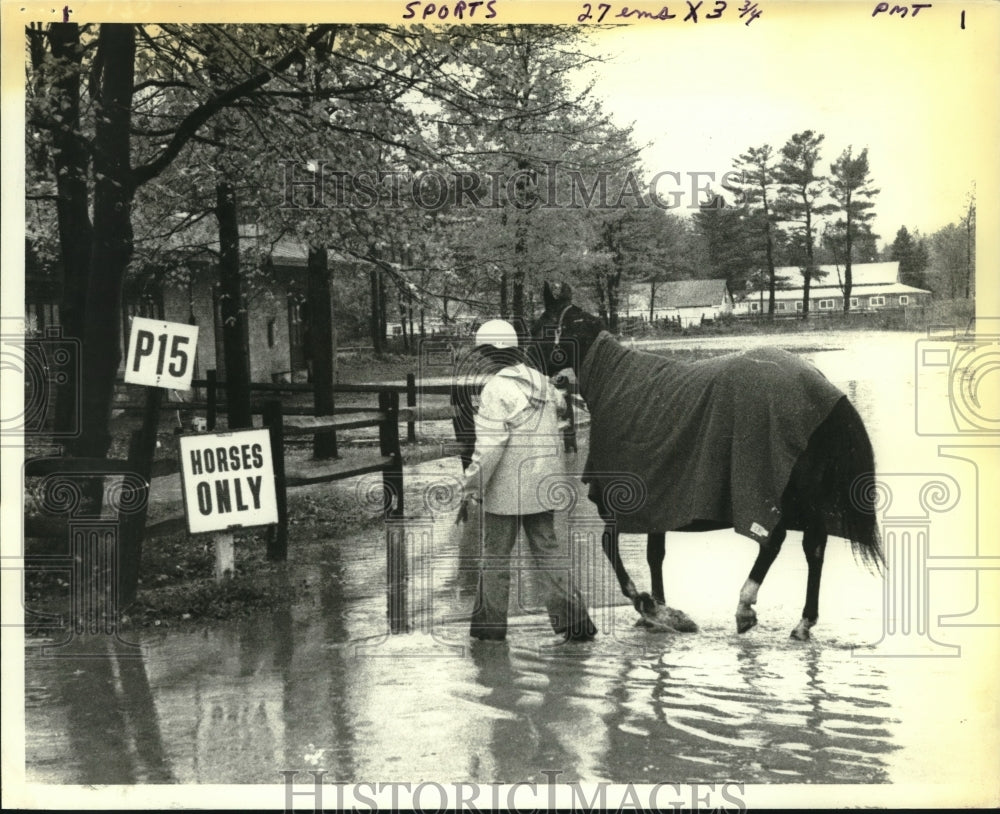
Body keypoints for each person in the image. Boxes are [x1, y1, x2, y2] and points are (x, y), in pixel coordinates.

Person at [458, 319, 597, 642]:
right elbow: (560, 422)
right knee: (548, 552)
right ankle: (576, 624)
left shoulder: (496, 389)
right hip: (544, 485)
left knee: (495, 558)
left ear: (491, 352)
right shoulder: (542, 383)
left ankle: (489, 630)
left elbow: (490, 446)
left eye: (483, 352)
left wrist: (471, 488)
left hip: (507, 490)